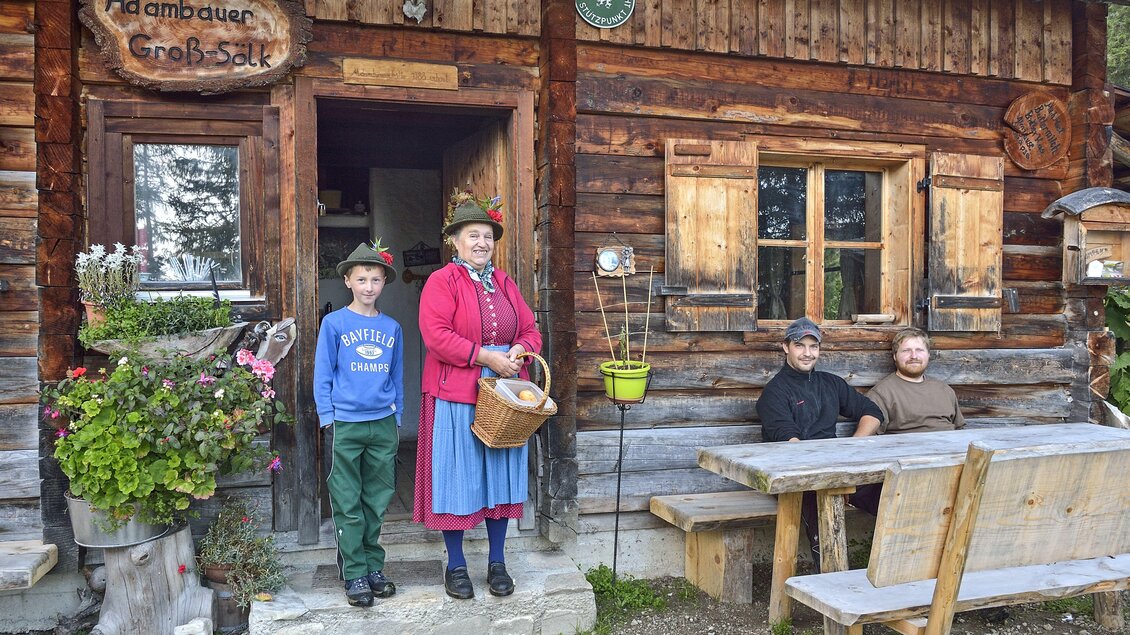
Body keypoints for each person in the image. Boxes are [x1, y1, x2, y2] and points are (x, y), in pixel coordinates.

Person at [413, 195, 542, 600]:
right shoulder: (442, 281)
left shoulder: (504, 283)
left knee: (500, 474)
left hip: (504, 394)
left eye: (487, 236)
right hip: (456, 392)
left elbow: (530, 330)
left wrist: (518, 351)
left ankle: (497, 562)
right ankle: (455, 565)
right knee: (457, 476)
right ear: (455, 240)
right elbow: (436, 336)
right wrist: (486, 357)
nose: (482, 243)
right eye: (473, 235)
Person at [314, 240, 404, 607]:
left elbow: (396, 375)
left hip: (382, 422)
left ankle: (373, 567)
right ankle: (354, 572)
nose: (369, 287)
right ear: (348, 281)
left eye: (376, 280)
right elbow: (323, 373)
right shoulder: (334, 324)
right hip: (345, 424)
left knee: (377, 499)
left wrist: (397, 416)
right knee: (347, 500)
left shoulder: (392, 327)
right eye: (362, 279)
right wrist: (327, 418)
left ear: (384, 283)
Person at [756, 316, 884, 567]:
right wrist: (833, 480)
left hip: (837, 468)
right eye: (799, 346)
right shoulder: (774, 393)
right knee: (820, 503)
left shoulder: (831, 383)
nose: (807, 353)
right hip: (795, 477)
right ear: (785, 347)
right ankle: (830, 576)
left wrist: (852, 448)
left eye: (813, 346)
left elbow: (872, 412)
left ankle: (894, 568)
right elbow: (791, 444)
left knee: (889, 492)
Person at [856, 327, 965, 436]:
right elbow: (866, 438)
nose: (914, 356)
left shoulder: (944, 390)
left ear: (928, 355)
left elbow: (960, 430)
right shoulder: (881, 394)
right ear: (895, 356)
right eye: (906, 351)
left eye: (919, 350)